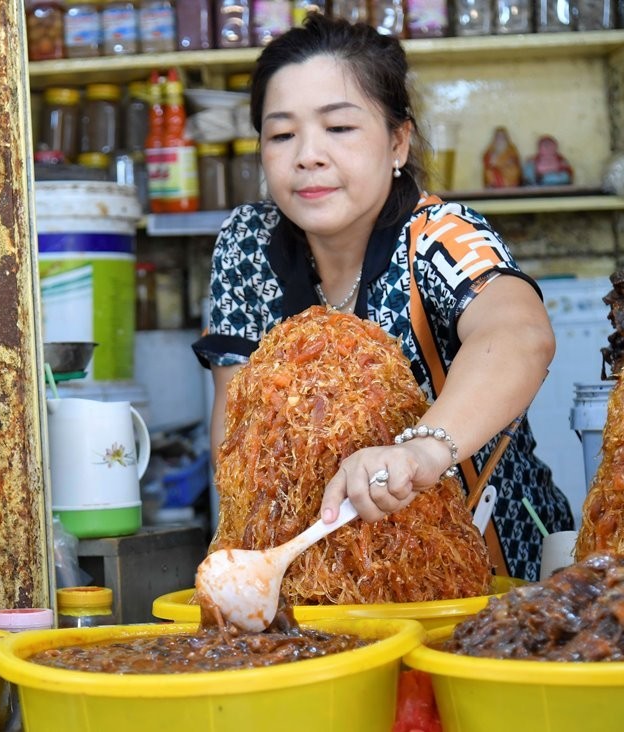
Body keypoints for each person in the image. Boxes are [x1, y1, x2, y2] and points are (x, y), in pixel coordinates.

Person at [192, 14, 574, 582]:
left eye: (339, 127)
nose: (308, 155)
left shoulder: (440, 234)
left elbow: (520, 335)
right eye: (282, 134)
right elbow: (236, 429)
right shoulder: (248, 243)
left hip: (487, 565)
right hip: (322, 575)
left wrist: (422, 451)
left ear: (398, 142)